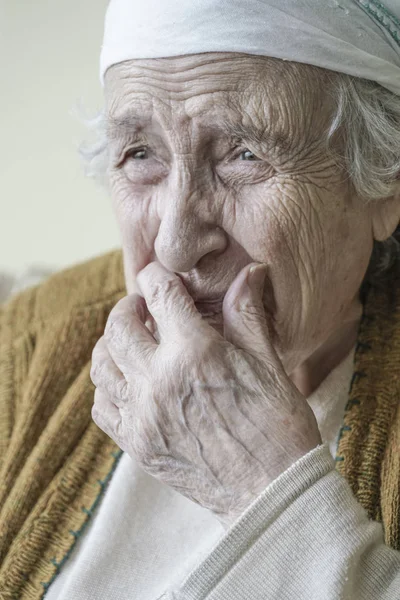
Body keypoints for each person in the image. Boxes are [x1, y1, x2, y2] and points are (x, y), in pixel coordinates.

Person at [1, 0, 400, 598]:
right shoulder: (25, 350)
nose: (176, 242)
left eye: (245, 155)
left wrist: (262, 486)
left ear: (385, 181)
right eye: (141, 154)